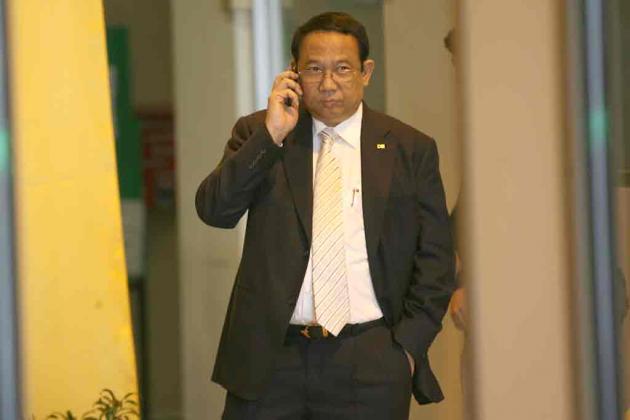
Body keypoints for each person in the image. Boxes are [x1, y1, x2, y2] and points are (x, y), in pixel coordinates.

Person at [196, 12, 456, 420]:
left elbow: (435, 259)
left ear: (366, 72)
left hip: (370, 357)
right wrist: (271, 135)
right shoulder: (261, 134)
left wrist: (406, 348)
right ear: (293, 72)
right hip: (271, 360)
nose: (329, 83)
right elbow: (215, 210)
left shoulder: (409, 148)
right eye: (314, 69)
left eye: (343, 69)